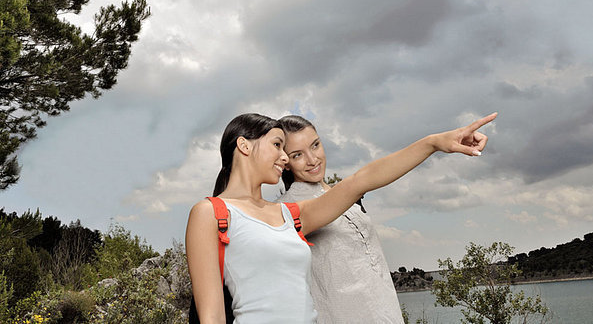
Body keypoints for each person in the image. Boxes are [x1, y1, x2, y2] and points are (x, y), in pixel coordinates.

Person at [186, 111, 497, 323]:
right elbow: (211, 317)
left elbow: (361, 180)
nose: (284, 157)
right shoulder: (210, 213)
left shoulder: (291, 215)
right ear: (244, 145)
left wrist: (434, 143)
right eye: (279, 146)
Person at [275, 115, 404, 323]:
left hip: (386, 314)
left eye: (315, 145)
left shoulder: (347, 199)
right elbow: (364, 179)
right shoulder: (287, 210)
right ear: (285, 162)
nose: (312, 159)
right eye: (297, 155)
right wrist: (433, 143)